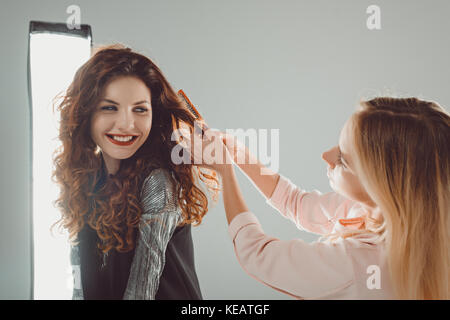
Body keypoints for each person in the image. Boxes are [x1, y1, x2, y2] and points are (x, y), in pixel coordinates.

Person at [188, 97, 449, 299]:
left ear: (380, 185)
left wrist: (226, 174)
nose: (326, 155)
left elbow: (258, 255)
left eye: (343, 160)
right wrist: (239, 155)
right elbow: (298, 204)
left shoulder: (357, 265)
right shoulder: (374, 211)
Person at [51, 43, 219, 300]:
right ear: (86, 114)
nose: (126, 124)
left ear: (154, 116)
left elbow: (141, 291)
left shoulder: (157, 182)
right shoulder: (85, 181)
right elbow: (80, 285)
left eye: (140, 109)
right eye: (109, 107)